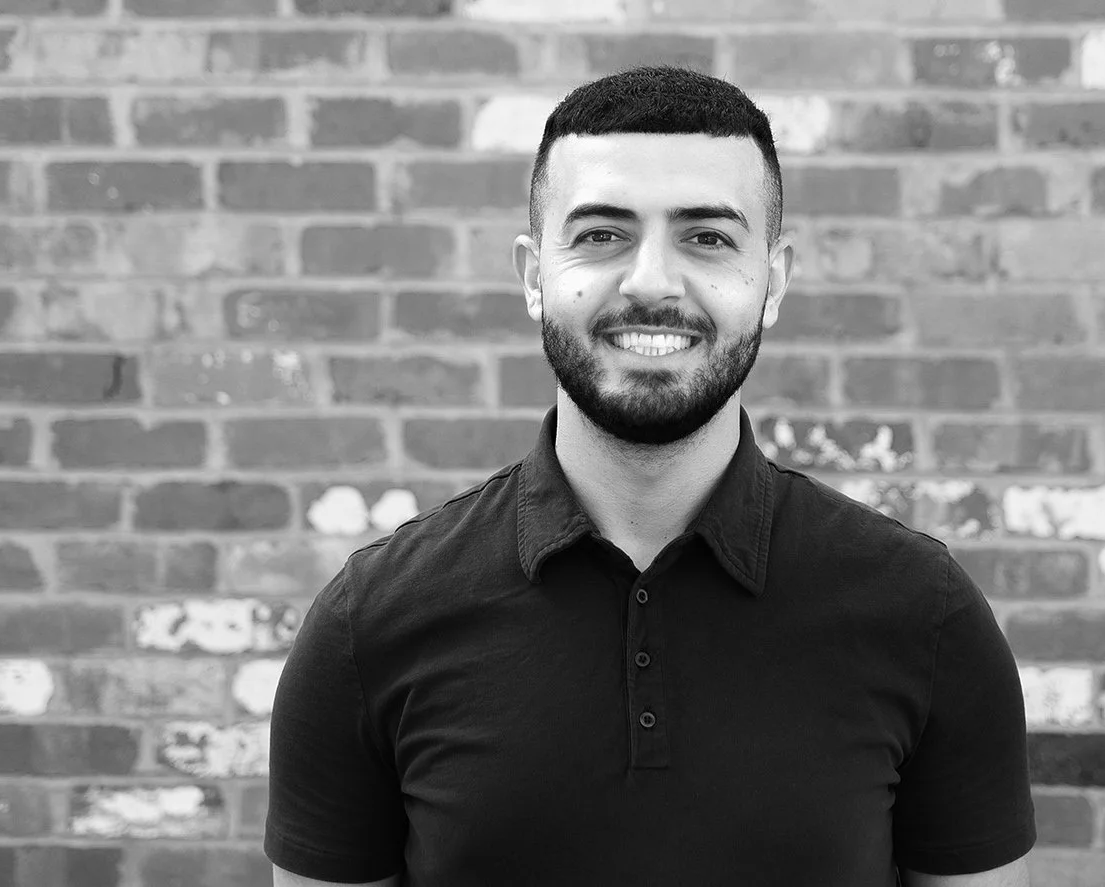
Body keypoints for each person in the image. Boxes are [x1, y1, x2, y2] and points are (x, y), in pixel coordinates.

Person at [266, 65, 1035, 887]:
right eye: (602, 235)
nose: (652, 282)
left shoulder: (924, 614)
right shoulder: (371, 625)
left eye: (707, 237)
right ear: (533, 276)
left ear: (773, 282)